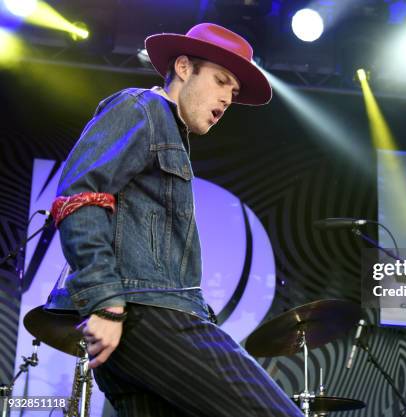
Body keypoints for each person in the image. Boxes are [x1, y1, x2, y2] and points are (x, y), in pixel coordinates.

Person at [48, 23, 304, 417]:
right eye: (221, 81)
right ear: (183, 67)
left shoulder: (168, 131)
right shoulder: (142, 108)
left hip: (137, 326)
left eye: (233, 92)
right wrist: (106, 302)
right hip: (149, 314)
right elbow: (78, 196)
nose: (227, 98)